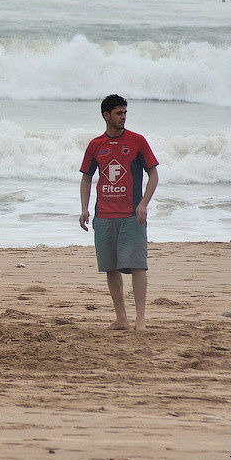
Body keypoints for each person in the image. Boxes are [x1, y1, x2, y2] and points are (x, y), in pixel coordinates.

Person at [79, 94, 159, 332]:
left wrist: (143, 203)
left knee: (138, 266)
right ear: (106, 115)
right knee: (111, 268)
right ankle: (121, 319)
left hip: (131, 216)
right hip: (103, 216)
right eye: (119, 113)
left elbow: (153, 175)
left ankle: (140, 319)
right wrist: (84, 208)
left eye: (125, 113)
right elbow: (86, 177)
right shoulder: (96, 145)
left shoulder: (137, 141)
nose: (123, 117)